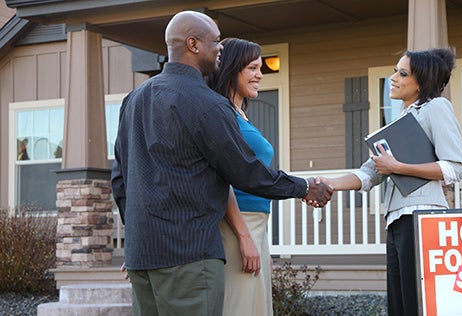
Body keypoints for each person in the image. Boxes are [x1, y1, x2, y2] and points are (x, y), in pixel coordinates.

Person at [110, 11, 332, 316]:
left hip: (141, 258)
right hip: (189, 258)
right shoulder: (207, 104)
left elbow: (120, 180)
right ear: (193, 44)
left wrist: (137, 235)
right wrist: (305, 187)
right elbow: (246, 173)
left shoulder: (134, 99)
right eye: (215, 41)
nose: (220, 49)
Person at [314, 47, 462, 316]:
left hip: (422, 218)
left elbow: (456, 166)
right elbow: (369, 173)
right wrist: (328, 183)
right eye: (395, 70)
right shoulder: (401, 120)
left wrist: (398, 166)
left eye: (402, 72)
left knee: (417, 303)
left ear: (421, 82)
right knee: (399, 305)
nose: (393, 77)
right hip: (397, 221)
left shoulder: (435, 107)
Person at [207, 37, 275, 316]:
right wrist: (244, 237)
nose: (260, 75)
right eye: (252, 68)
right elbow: (220, 179)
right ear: (232, 69)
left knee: (257, 307)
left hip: (257, 223)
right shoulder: (223, 116)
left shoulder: (240, 115)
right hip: (237, 225)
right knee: (240, 307)